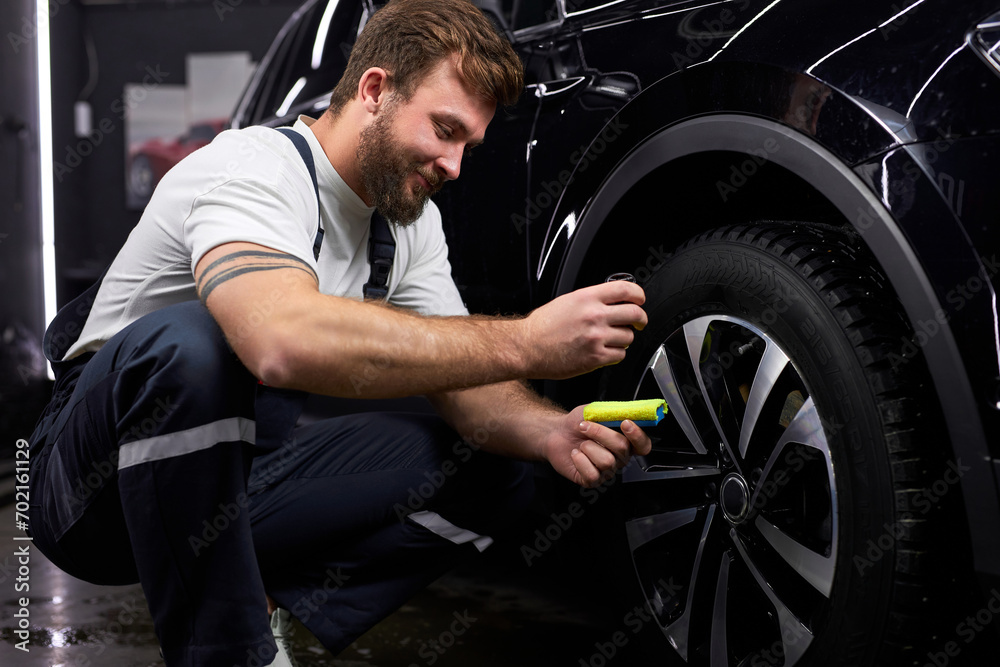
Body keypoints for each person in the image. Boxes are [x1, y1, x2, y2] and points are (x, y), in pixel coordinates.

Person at [26, 0, 651, 664]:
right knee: (193, 345)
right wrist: (528, 340)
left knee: (496, 469)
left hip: (232, 487)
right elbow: (279, 339)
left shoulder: (408, 225)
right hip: (93, 490)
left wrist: (552, 429)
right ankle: (231, 650)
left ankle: (261, 600)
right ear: (376, 91)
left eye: (467, 144)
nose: (455, 165)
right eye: (444, 129)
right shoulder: (254, 168)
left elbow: (471, 386)